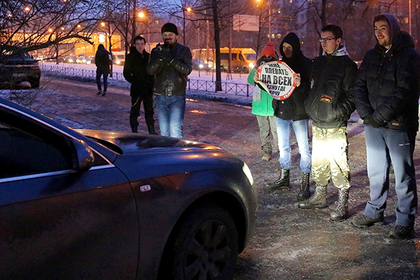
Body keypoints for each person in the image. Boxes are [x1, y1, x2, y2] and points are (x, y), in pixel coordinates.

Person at [352, 14, 420, 239]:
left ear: (394, 29)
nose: (379, 32)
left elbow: (404, 91)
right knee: (376, 172)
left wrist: (378, 116)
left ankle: (405, 220)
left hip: (398, 125)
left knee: (403, 176)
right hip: (374, 125)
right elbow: (359, 85)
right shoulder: (371, 55)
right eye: (375, 28)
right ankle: (374, 211)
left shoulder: (409, 56)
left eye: (383, 28)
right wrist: (366, 114)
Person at [298, 25, 357, 221]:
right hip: (318, 121)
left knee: (339, 163)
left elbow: (352, 96)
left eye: (327, 39)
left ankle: (342, 203)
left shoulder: (347, 65)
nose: (323, 43)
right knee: (319, 162)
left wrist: (337, 112)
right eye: (321, 39)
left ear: (338, 40)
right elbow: (312, 87)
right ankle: (320, 196)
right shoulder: (319, 62)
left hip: (335, 124)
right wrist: (309, 103)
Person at [266, 33, 312, 201]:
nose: (286, 50)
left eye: (290, 47)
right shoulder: (279, 64)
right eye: (284, 47)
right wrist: (259, 81)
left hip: (299, 113)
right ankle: (284, 178)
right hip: (281, 112)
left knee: (303, 149)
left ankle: (305, 182)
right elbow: (271, 86)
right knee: (283, 147)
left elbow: (310, 89)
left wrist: (301, 85)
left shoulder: (306, 64)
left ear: (296, 47)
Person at [147, 23, 192, 138]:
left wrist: (171, 60)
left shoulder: (184, 50)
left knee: (175, 130)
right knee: (164, 132)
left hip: (177, 95)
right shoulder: (156, 51)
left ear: (176, 36)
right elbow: (150, 71)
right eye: (165, 34)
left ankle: (176, 155)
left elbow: (187, 70)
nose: (168, 37)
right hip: (160, 96)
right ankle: (167, 154)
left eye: (170, 34)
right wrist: (160, 59)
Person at [247, 42, 278, 162]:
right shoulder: (258, 66)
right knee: (264, 130)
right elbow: (250, 80)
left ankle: (280, 150)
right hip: (260, 105)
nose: (267, 59)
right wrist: (257, 68)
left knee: (276, 130)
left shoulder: (277, 67)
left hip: (273, 105)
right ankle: (267, 151)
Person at [123, 36, 156, 134]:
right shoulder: (130, 57)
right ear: (134, 45)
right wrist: (135, 81)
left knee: (149, 111)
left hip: (148, 89)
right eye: (137, 44)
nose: (140, 46)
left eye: (142, 44)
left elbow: (152, 71)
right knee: (135, 111)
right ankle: (134, 131)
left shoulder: (148, 56)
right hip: (137, 89)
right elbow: (126, 73)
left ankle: (151, 130)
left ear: (144, 45)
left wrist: (151, 82)